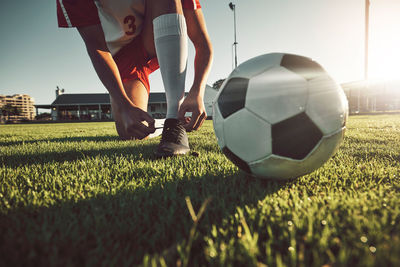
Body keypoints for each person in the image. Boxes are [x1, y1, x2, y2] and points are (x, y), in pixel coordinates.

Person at [57, 0, 213, 157]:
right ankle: (163, 124)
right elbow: (95, 45)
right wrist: (124, 105)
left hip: (152, 38)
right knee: (131, 131)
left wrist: (197, 91)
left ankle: (174, 120)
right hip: (120, 57)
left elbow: (202, 42)